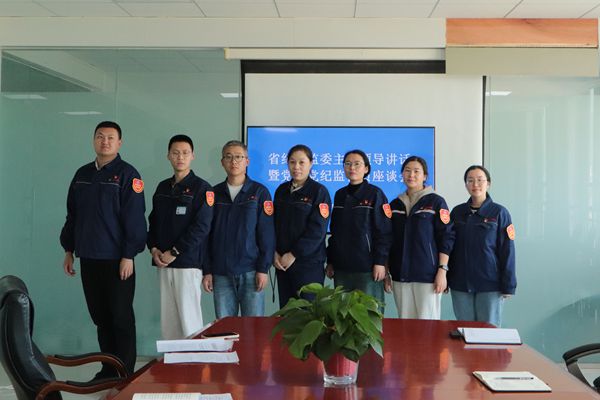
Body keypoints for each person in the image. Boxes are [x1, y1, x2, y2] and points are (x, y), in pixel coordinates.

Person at [60, 121, 146, 377]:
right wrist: (68, 249)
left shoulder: (128, 174)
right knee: (101, 318)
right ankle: (108, 369)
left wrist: (128, 255)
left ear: (119, 143)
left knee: (120, 317)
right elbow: (72, 215)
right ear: (93, 140)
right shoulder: (82, 174)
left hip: (117, 260)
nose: (105, 141)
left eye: (110, 137)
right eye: (100, 136)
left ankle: (125, 373)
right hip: (88, 256)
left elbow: (135, 218)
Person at [147, 134, 213, 339]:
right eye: (175, 153)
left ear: (193, 156)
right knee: (169, 322)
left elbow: (201, 227)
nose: (180, 157)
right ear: (168, 156)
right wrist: (154, 249)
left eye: (185, 153)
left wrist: (175, 252)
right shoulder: (162, 187)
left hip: (187, 263)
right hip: (163, 263)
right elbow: (153, 222)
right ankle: (172, 359)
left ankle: (194, 359)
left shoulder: (202, 188)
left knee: (189, 320)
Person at [202, 140, 275, 317]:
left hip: (251, 271)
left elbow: (266, 233)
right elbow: (206, 235)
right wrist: (207, 270)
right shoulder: (213, 193)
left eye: (238, 157)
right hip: (221, 273)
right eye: (228, 157)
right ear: (222, 162)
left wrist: (263, 269)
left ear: (247, 161)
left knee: (254, 327)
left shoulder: (259, 192)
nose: (233, 161)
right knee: (225, 328)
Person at [448, 165, 516, 327]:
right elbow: (448, 246)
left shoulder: (499, 212)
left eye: (480, 180)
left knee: (489, 332)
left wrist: (509, 284)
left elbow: (507, 250)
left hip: (490, 284)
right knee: (464, 331)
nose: (475, 184)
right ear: (466, 185)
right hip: (460, 283)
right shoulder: (457, 212)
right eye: (470, 180)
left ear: (488, 184)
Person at [387, 155, 454, 320]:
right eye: (407, 171)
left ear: (425, 176)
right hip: (400, 274)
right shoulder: (394, 205)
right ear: (402, 174)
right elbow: (388, 239)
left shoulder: (436, 202)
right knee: (404, 324)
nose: (411, 175)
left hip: (427, 275)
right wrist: (387, 272)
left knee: (427, 324)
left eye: (416, 171)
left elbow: (446, 237)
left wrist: (442, 271)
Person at [326, 149, 392, 307]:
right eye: (348, 164)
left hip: (367, 267)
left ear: (366, 168)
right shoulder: (339, 195)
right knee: (342, 313)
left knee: (368, 313)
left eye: (357, 164)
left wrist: (380, 262)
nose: (352, 168)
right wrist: (331, 261)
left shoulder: (375, 194)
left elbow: (384, 232)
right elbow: (334, 231)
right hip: (341, 267)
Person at [273, 144, 331, 308]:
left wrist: (294, 254)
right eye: (292, 162)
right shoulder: (281, 190)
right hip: (282, 263)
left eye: (301, 162)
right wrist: (274, 253)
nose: (296, 167)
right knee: (287, 312)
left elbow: (317, 230)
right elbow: (273, 225)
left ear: (311, 164)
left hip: (308, 265)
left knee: (308, 313)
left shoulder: (319, 191)